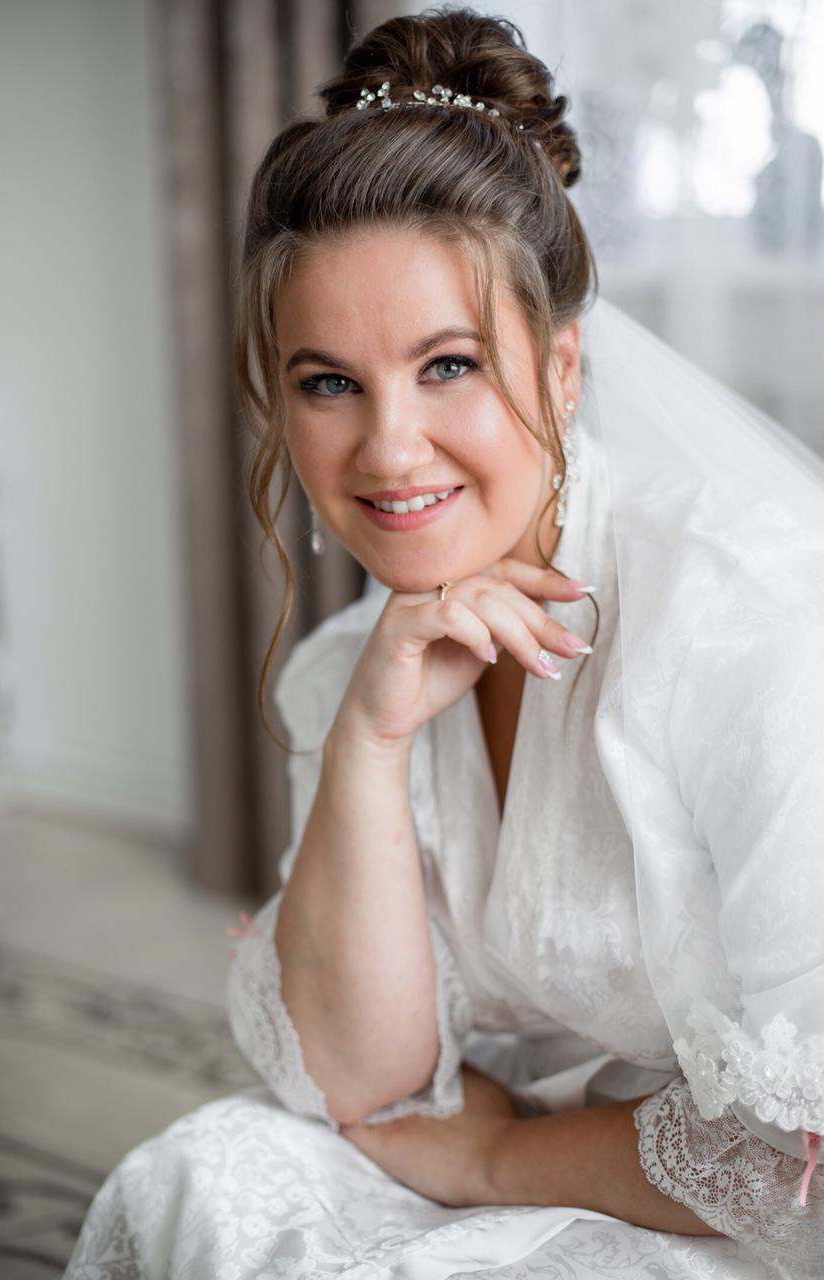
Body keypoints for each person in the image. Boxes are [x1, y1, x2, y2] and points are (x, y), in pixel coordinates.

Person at [65, 8, 824, 1278]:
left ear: (564, 365)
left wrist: (493, 1160)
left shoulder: (745, 619)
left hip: (733, 1218)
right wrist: (369, 736)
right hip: (523, 1144)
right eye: (328, 382)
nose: (388, 449)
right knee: (194, 1169)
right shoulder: (354, 663)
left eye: (448, 365)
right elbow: (358, 1080)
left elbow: (800, 1156)